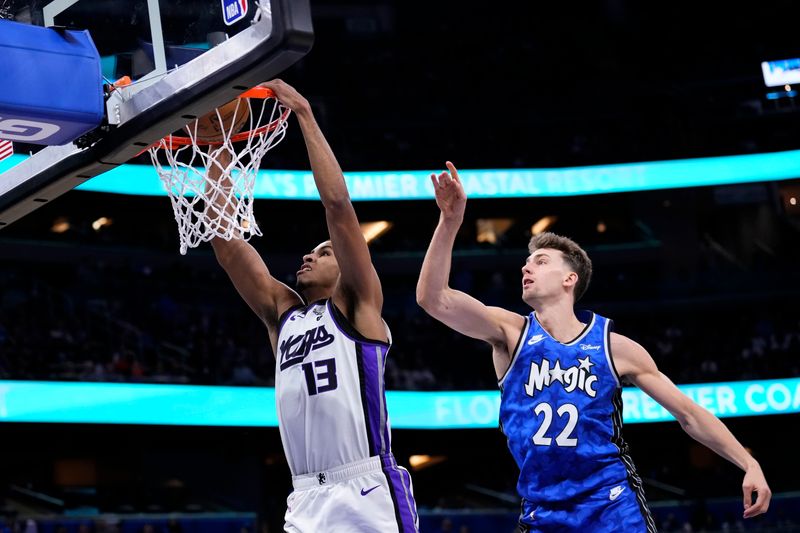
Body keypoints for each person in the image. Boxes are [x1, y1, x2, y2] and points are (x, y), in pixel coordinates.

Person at [415, 162, 771, 532]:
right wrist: (450, 221)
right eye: (525, 263)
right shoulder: (510, 332)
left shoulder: (616, 347)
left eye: (540, 261)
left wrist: (749, 463)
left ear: (570, 278)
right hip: (543, 509)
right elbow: (433, 299)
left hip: (611, 505)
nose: (526, 268)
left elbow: (688, 414)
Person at [208, 79, 418, 532]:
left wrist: (304, 112)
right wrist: (218, 149)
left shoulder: (358, 304)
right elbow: (227, 246)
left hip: (365, 487)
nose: (309, 255)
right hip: (303, 494)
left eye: (324, 252)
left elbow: (338, 206)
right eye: (311, 251)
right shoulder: (283, 312)